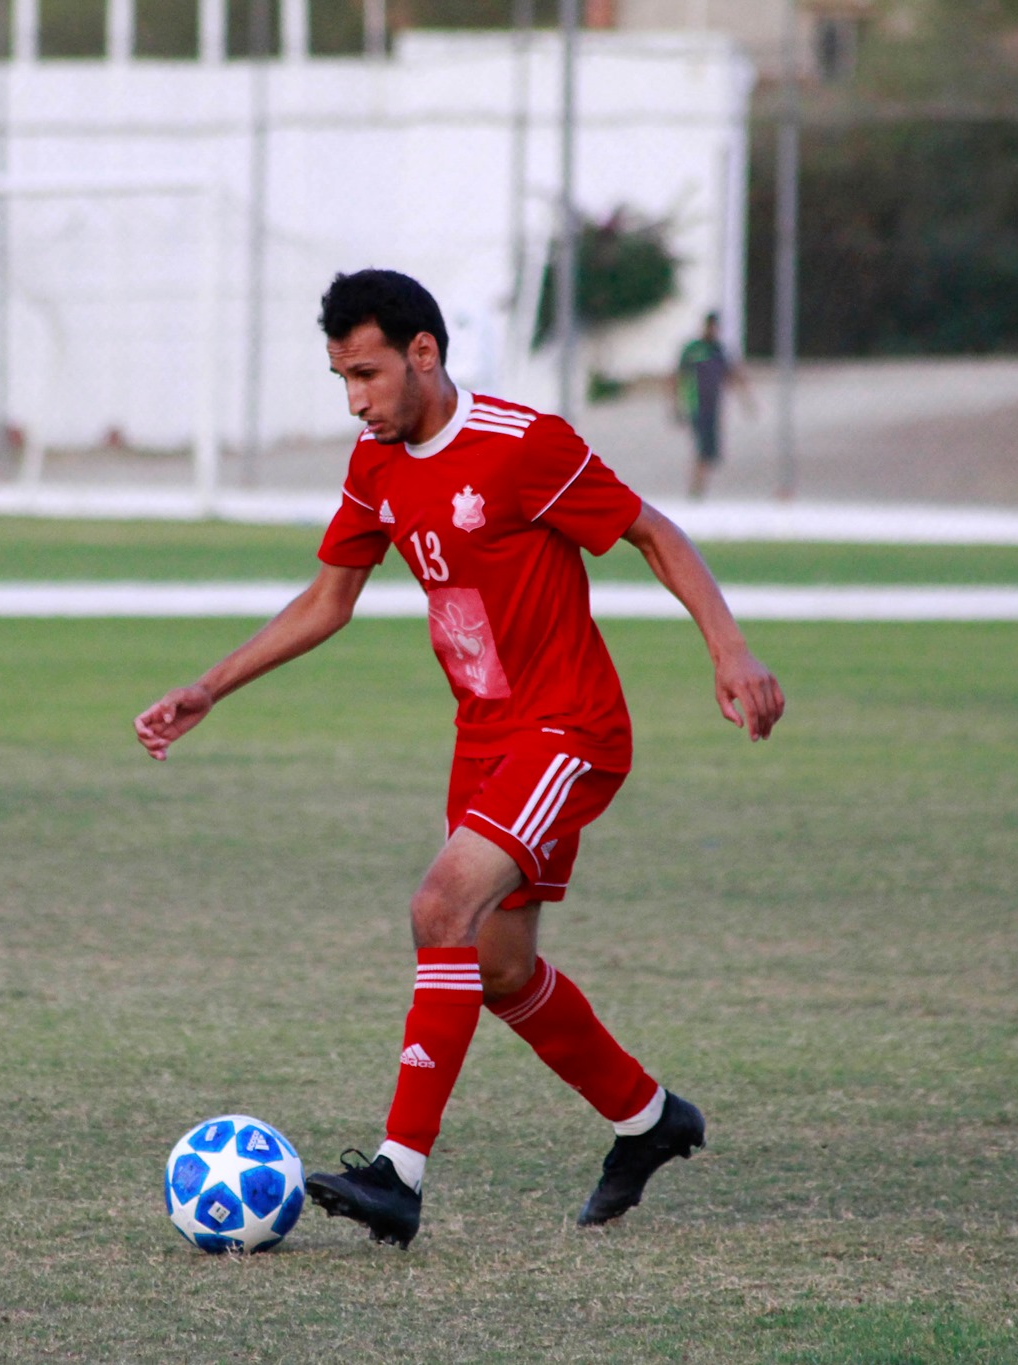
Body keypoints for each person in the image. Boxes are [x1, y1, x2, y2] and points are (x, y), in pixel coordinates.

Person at [133, 269, 785, 1249]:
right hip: (480, 740)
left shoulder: (525, 446)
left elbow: (650, 531)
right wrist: (208, 686)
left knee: (437, 908)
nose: (354, 399)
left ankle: (396, 1175)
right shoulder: (375, 462)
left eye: (365, 373)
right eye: (339, 378)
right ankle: (649, 1120)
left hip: (566, 729)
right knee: (496, 963)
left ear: (422, 355)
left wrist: (728, 647)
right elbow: (327, 601)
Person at [676, 311, 754, 500]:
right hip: (697, 405)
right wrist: (677, 404)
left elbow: (732, 375)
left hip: (713, 406)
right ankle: (696, 488)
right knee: (703, 447)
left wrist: (746, 401)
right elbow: (678, 376)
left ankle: (699, 487)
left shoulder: (719, 350)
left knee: (710, 450)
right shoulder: (693, 350)